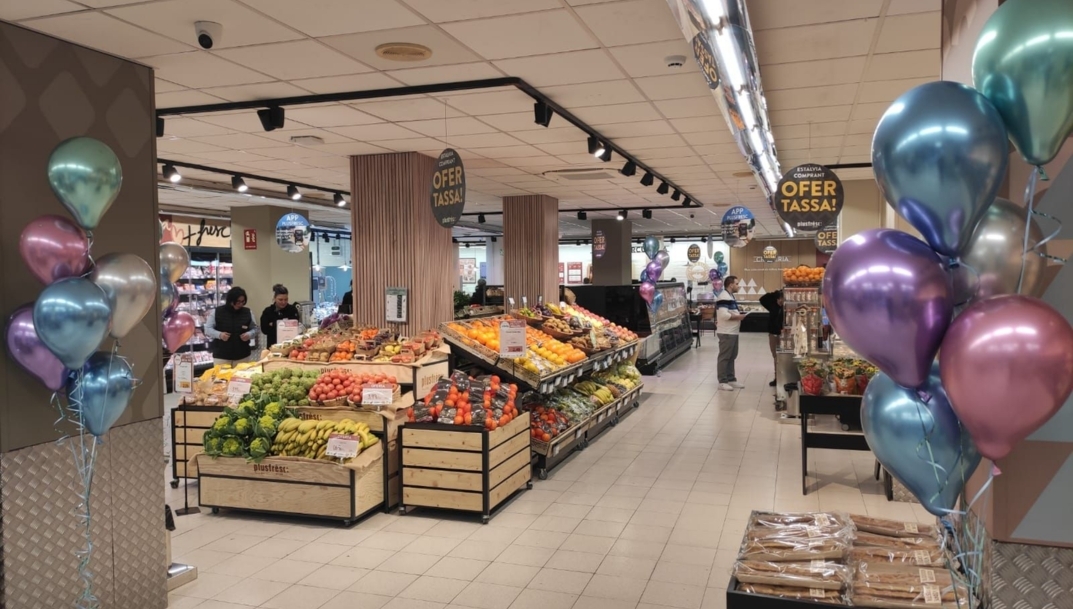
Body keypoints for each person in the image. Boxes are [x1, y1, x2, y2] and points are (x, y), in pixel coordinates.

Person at [205, 286, 258, 367]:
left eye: (242, 301)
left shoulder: (248, 312)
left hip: (242, 356)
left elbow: (255, 329)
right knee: (221, 379)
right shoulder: (217, 312)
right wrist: (219, 335)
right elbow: (207, 329)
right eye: (237, 301)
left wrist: (249, 334)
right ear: (230, 300)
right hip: (221, 356)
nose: (240, 304)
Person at [715, 276, 748, 391]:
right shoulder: (723, 296)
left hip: (733, 332)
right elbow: (724, 315)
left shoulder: (730, 296)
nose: (738, 286)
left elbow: (729, 311)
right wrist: (738, 317)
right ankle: (722, 381)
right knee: (725, 356)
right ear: (730, 285)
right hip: (726, 332)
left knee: (732, 356)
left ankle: (731, 379)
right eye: (737, 284)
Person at [759, 289, 785, 387]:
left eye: (782, 299)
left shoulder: (786, 307)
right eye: (779, 299)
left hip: (784, 335)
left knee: (783, 356)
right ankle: (777, 378)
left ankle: (783, 377)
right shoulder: (772, 305)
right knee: (776, 356)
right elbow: (762, 299)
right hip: (773, 334)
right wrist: (775, 293)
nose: (781, 301)